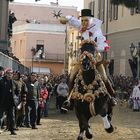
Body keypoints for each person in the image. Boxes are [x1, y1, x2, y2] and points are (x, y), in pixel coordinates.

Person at [59, 9, 116, 104]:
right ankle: (68, 99)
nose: (84, 23)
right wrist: (66, 18)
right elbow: (71, 20)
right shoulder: (81, 26)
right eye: (82, 21)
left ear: (91, 20)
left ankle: (111, 96)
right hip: (82, 57)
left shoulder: (97, 30)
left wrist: (97, 47)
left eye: (86, 21)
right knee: (72, 75)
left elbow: (102, 44)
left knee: (104, 77)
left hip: (95, 58)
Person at [0, 68, 19, 135]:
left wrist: (16, 99)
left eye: (11, 73)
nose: (9, 75)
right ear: (6, 74)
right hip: (2, 103)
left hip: (11, 103)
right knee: (1, 117)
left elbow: (17, 92)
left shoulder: (14, 82)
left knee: (12, 117)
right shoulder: (1, 81)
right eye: (8, 73)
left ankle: (12, 130)